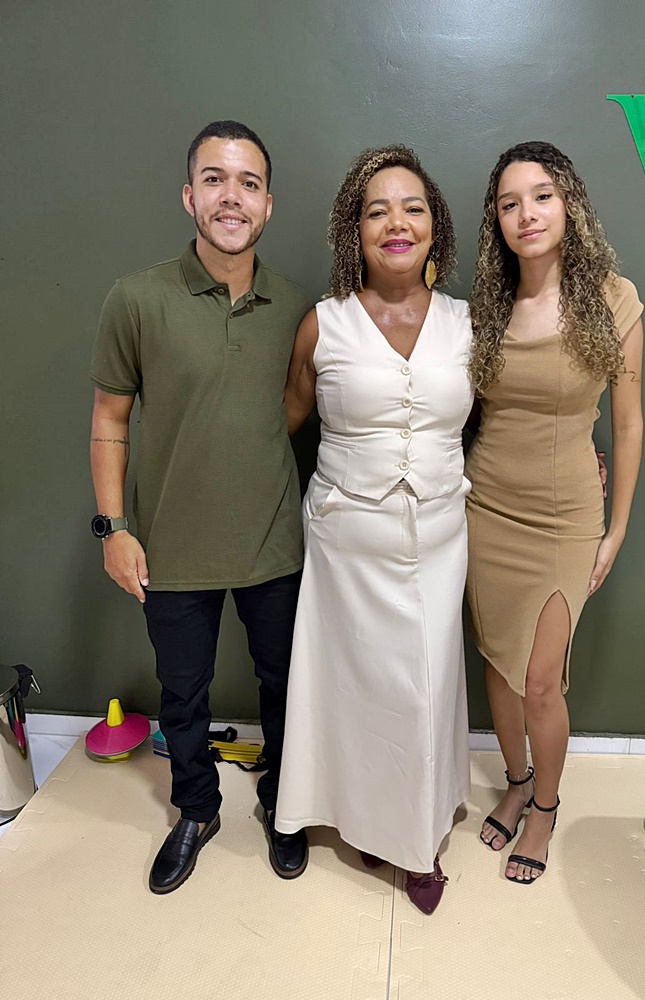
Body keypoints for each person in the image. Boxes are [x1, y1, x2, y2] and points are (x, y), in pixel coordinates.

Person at [89, 120, 311, 893]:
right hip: (171, 547)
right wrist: (114, 529)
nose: (231, 197)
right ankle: (196, 808)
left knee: (285, 684)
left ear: (268, 204)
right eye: (215, 179)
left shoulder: (296, 305)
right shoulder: (137, 297)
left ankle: (286, 802)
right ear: (190, 196)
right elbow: (109, 420)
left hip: (273, 543)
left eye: (249, 183)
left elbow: (291, 406)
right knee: (181, 693)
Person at [275, 146, 472, 915]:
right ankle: (361, 817)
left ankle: (416, 836)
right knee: (356, 687)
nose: (397, 222)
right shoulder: (322, 325)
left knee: (425, 687)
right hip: (345, 538)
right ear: (353, 230)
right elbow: (281, 427)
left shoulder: (467, 324)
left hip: (440, 535)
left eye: (413, 208)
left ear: (435, 226)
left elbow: (504, 418)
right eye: (377, 210)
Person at [465, 141, 644, 884]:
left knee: (542, 680)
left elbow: (627, 423)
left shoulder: (613, 299)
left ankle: (544, 805)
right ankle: (514, 780)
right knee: (498, 665)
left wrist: (617, 528)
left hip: (569, 516)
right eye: (510, 204)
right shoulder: (485, 309)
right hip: (486, 508)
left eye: (541, 196)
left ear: (569, 203)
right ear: (497, 222)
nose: (527, 214)